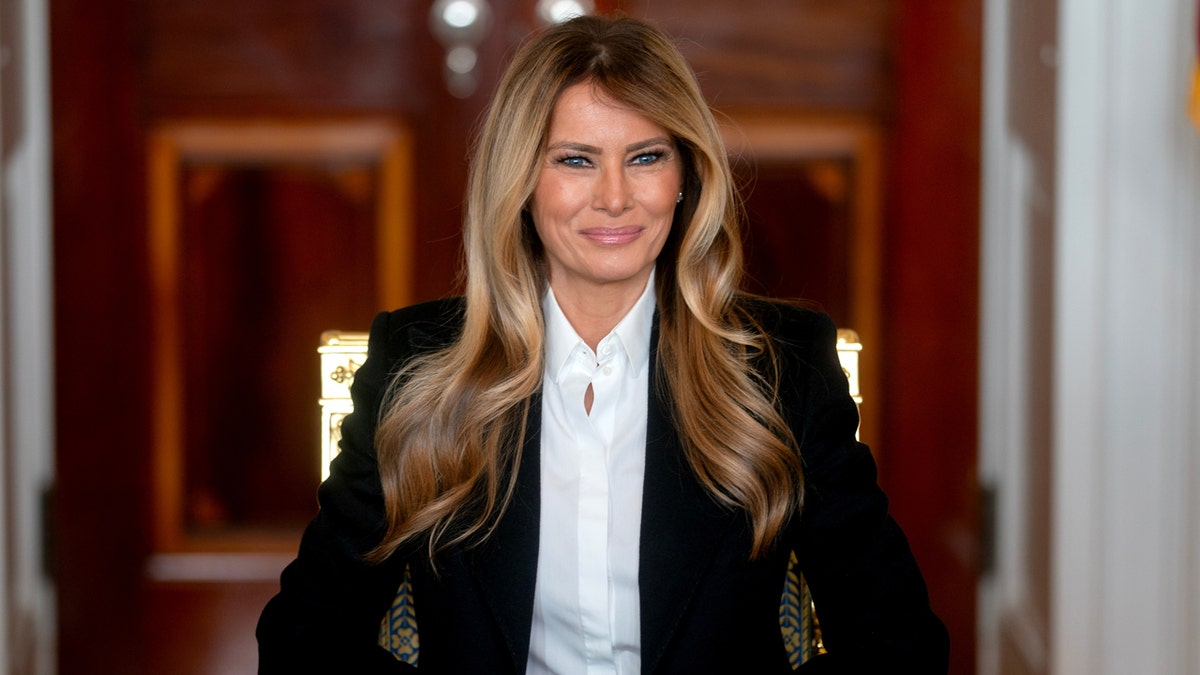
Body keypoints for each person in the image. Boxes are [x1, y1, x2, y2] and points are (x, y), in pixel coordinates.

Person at [257, 14, 948, 674]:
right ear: (522, 179)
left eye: (646, 157)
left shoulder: (784, 369)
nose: (615, 197)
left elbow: (900, 645)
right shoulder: (416, 364)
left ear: (684, 178)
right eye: (577, 160)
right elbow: (304, 638)